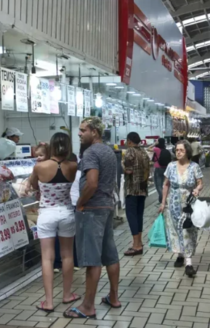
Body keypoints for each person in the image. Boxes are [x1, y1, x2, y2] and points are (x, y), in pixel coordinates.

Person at [65, 117, 121, 319]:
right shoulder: (108, 151)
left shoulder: (90, 152)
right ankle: (113, 297)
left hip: (92, 209)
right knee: (110, 255)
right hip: (106, 207)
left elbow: (92, 183)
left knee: (92, 259)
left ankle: (88, 306)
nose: (79, 134)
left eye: (83, 130)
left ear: (94, 132)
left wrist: (80, 203)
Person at [29, 133, 80, 312]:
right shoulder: (73, 166)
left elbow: (32, 186)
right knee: (67, 256)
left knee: (47, 258)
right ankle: (67, 295)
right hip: (66, 212)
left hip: (46, 214)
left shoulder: (39, 166)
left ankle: (49, 302)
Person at [159, 140, 203, 278]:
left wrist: (196, 189)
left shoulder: (194, 167)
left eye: (181, 150)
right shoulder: (171, 166)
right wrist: (163, 202)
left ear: (187, 152)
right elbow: (166, 184)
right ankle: (179, 254)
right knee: (176, 229)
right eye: (177, 150)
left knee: (188, 230)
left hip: (189, 204)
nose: (178, 152)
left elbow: (200, 183)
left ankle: (188, 262)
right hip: (174, 203)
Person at [123, 132, 151, 256]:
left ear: (129, 141)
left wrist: (121, 165)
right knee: (139, 215)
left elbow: (128, 171)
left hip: (132, 189)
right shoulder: (144, 152)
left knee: (131, 215)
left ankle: (136, 245)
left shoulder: (130, 152)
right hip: (143, 188)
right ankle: (139, 242)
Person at [148, 138, 171, 204]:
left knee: (158, 185)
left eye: (157, 141)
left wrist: (154, 144)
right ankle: (161, 199)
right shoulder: (165, 149)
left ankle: (164, 198)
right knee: (164, 184)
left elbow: (148, 148)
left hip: (158, 168)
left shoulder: (156, 149)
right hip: (165, 168)